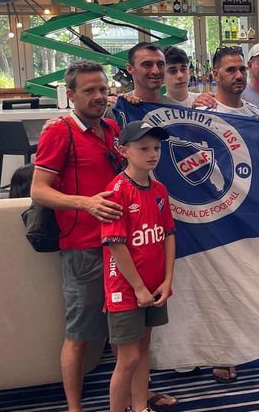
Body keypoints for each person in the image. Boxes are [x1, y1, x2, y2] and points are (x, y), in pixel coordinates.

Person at [30, 61, 122, 412]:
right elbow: (39, 190)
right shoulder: (59, 131)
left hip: (120, 246)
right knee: (79, 334)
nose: (99, 96)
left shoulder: (111, 128)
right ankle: (74, 408)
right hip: (83, 248)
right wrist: (86, 203)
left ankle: (131, 397)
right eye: (89, 91)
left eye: (103, 89)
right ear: (71, 95)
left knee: (125, 331)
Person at [101, 121, 175, 412]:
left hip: (154, 286)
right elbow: (115, 244)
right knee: (128, 357)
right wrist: (139, 288)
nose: (152, 154)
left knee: (144, 350)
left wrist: (167, 280)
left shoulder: (159, 190)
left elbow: (168, 234)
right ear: (124, 151)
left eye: (156, 147)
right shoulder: (116, 191)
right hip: (126, 289)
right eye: (143, 148)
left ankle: (141, 406)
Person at [206, 46, 259, 117]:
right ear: (216, 75)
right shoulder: (204, 115)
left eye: (242, 69)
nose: (239, 76)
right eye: (231, 70)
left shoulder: (255, 112)